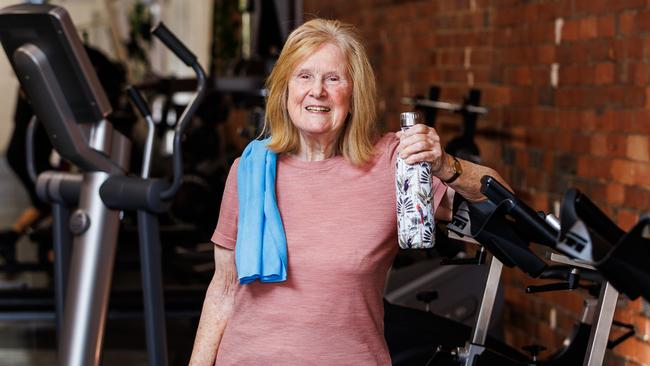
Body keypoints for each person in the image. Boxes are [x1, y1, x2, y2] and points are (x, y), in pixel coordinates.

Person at [189, 18, 508, 365]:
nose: (318, 91)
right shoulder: (249, 171)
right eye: (304, 76)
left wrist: (446, 165)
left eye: (333, 78)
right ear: (284, 90)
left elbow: (501, 204)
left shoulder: (392, 163)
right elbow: (222, 290)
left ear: (354, 95)